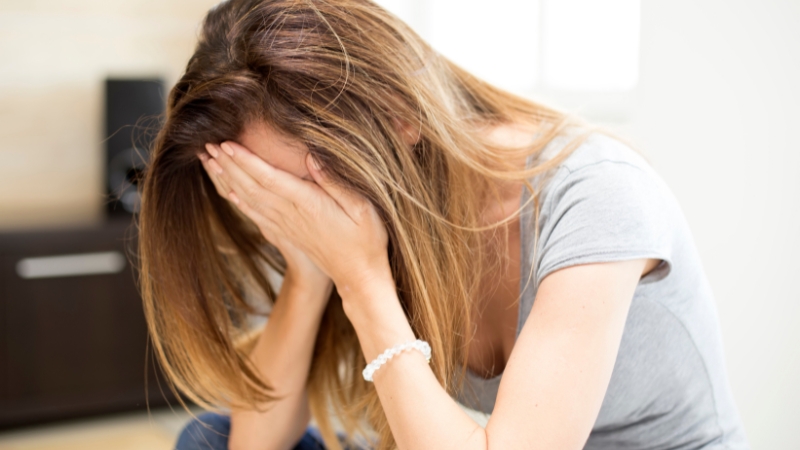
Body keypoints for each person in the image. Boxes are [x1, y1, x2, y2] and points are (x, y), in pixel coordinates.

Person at [138, 0, 749, 449]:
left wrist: (362, 280)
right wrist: (310, 269)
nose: (296, 210)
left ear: (399, 117)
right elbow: (255, 444)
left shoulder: (597, 194)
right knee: (210, 438)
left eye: (299, 188)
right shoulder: (383, 212)